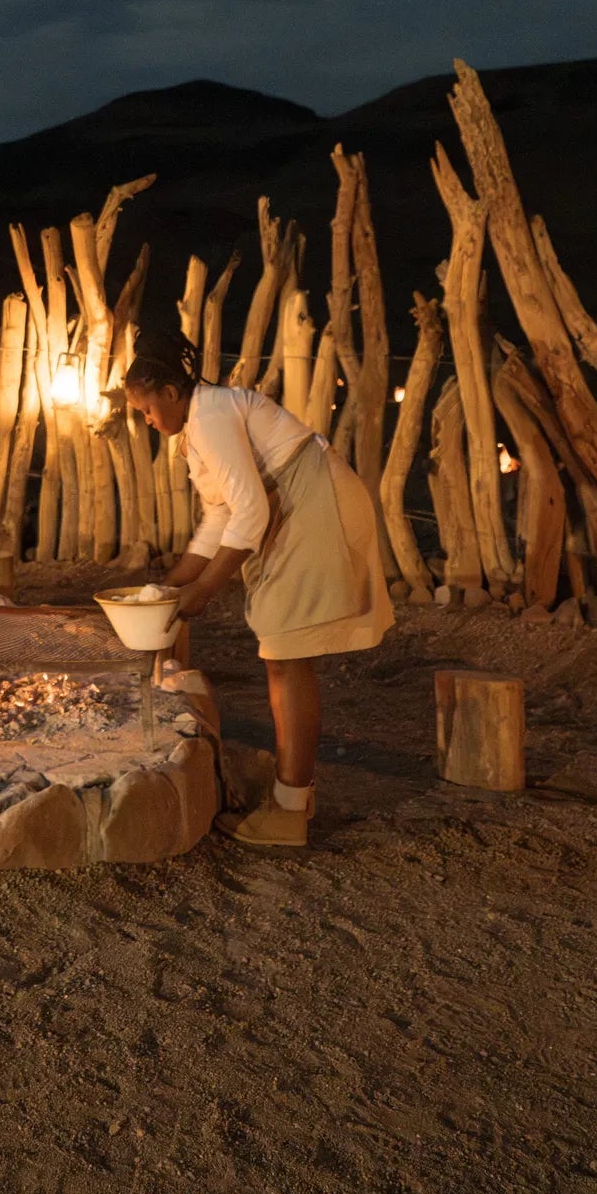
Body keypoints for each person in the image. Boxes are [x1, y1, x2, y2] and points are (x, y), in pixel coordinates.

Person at [122, 324, 392, 850]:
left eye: (148, 409)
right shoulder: (202, 426)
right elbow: (222, 514)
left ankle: (289, 811)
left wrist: (204, 591)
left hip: (313, 504)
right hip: (298, 503)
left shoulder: (213, 415)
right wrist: (173, 582)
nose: (149, 420)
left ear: (172, 393)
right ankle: (294, 797)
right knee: (281, 649)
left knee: (285, 652)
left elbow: (251, 509)